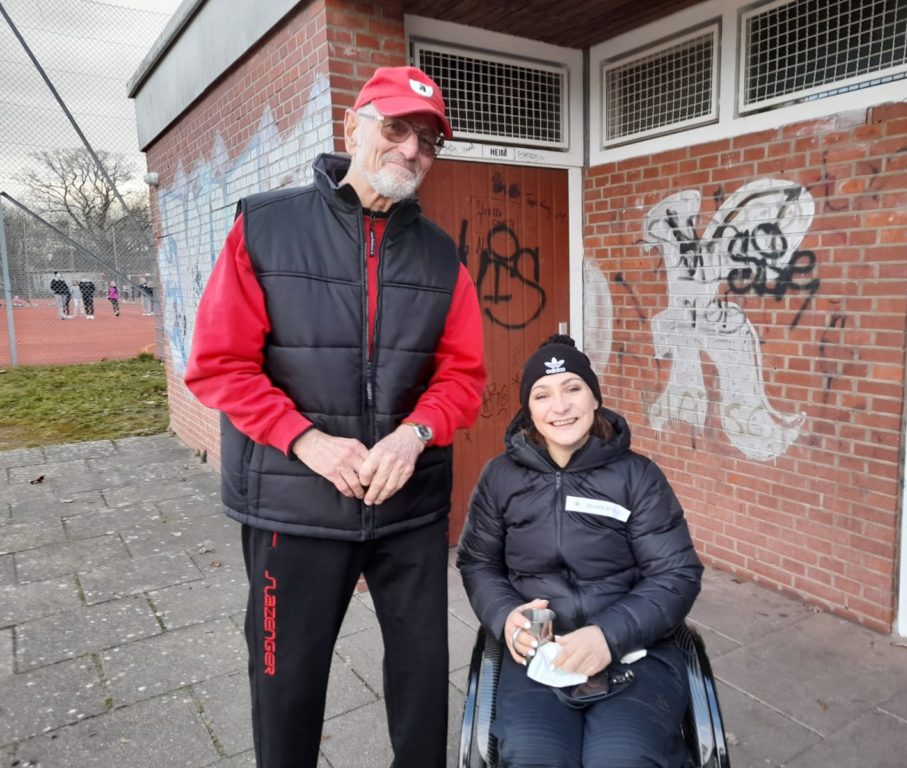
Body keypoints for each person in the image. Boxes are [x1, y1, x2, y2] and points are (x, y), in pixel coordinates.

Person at [184, 65, 486, 768]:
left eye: (429, 140)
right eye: (397, 128)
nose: (413, 150)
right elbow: (219, 365)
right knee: (285, 690)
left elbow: (463, 377)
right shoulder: (266, 227)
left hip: (407, 505)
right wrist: (306, 441)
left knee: (421, 687)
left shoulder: (444, 257)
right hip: (296, 509)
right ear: (355, 125)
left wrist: (415, 436)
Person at [457, 335, 704, 768]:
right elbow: (478, 562)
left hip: (635, 650)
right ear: (529, 411)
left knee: (623, 756)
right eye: (543, 394)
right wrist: (505, 616)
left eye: (573, 388)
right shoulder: (499, 478)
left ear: (594, 398)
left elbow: (676, 574)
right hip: (538, 653)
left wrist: (608, 635)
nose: (560, 406)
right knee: (535, 754)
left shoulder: (638, 477)